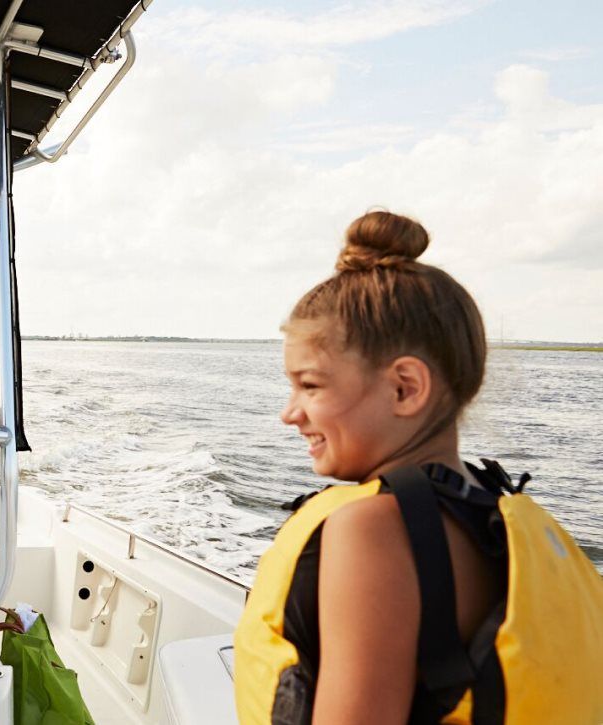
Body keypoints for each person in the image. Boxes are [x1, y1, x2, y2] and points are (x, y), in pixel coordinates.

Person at [234, 211, 603, 724]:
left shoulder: (373, 530)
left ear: (405, 387)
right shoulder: (493, 511)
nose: (290, 412)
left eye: (311, 385)